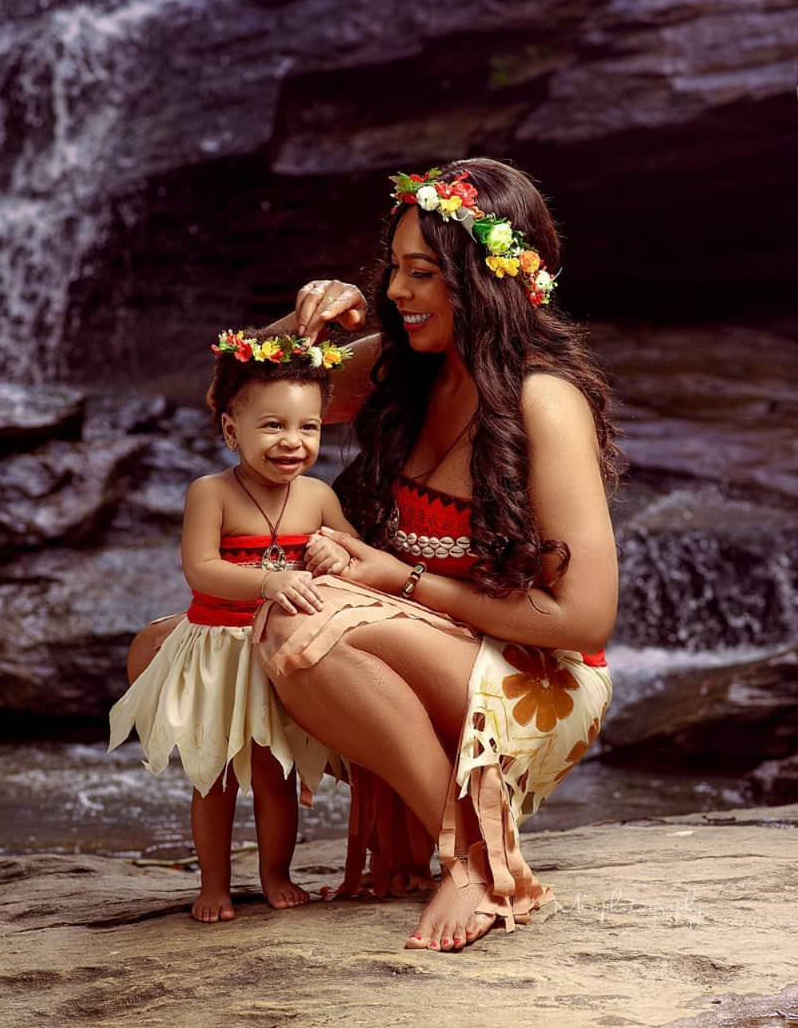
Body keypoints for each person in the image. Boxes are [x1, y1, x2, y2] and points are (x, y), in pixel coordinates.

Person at [251, 158, 621, 952]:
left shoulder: (544, 401)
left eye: (421, 274)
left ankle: (473, 861)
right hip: (417, 653)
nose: (395, 291)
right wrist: (303, 324)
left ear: (485, 280)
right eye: (394, 269)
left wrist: (401, 579)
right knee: (239, 634)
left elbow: (586, 618)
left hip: (536, 683)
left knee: (308, 623)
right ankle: (474, 847)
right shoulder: (406, 369)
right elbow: (244, 398)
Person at [108, 329, 357, 923]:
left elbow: (354, 552)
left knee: (275, 773)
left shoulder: (318, 496)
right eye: (272, 425)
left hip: (279, 655)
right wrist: (268, 582)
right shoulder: (211, 492)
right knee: (212, 776)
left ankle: (276, 874)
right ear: (231, 431)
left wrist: (339, 553)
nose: (292, 441)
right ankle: (214, 884)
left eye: (309, 427)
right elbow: (201, 568)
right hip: (218, 652)